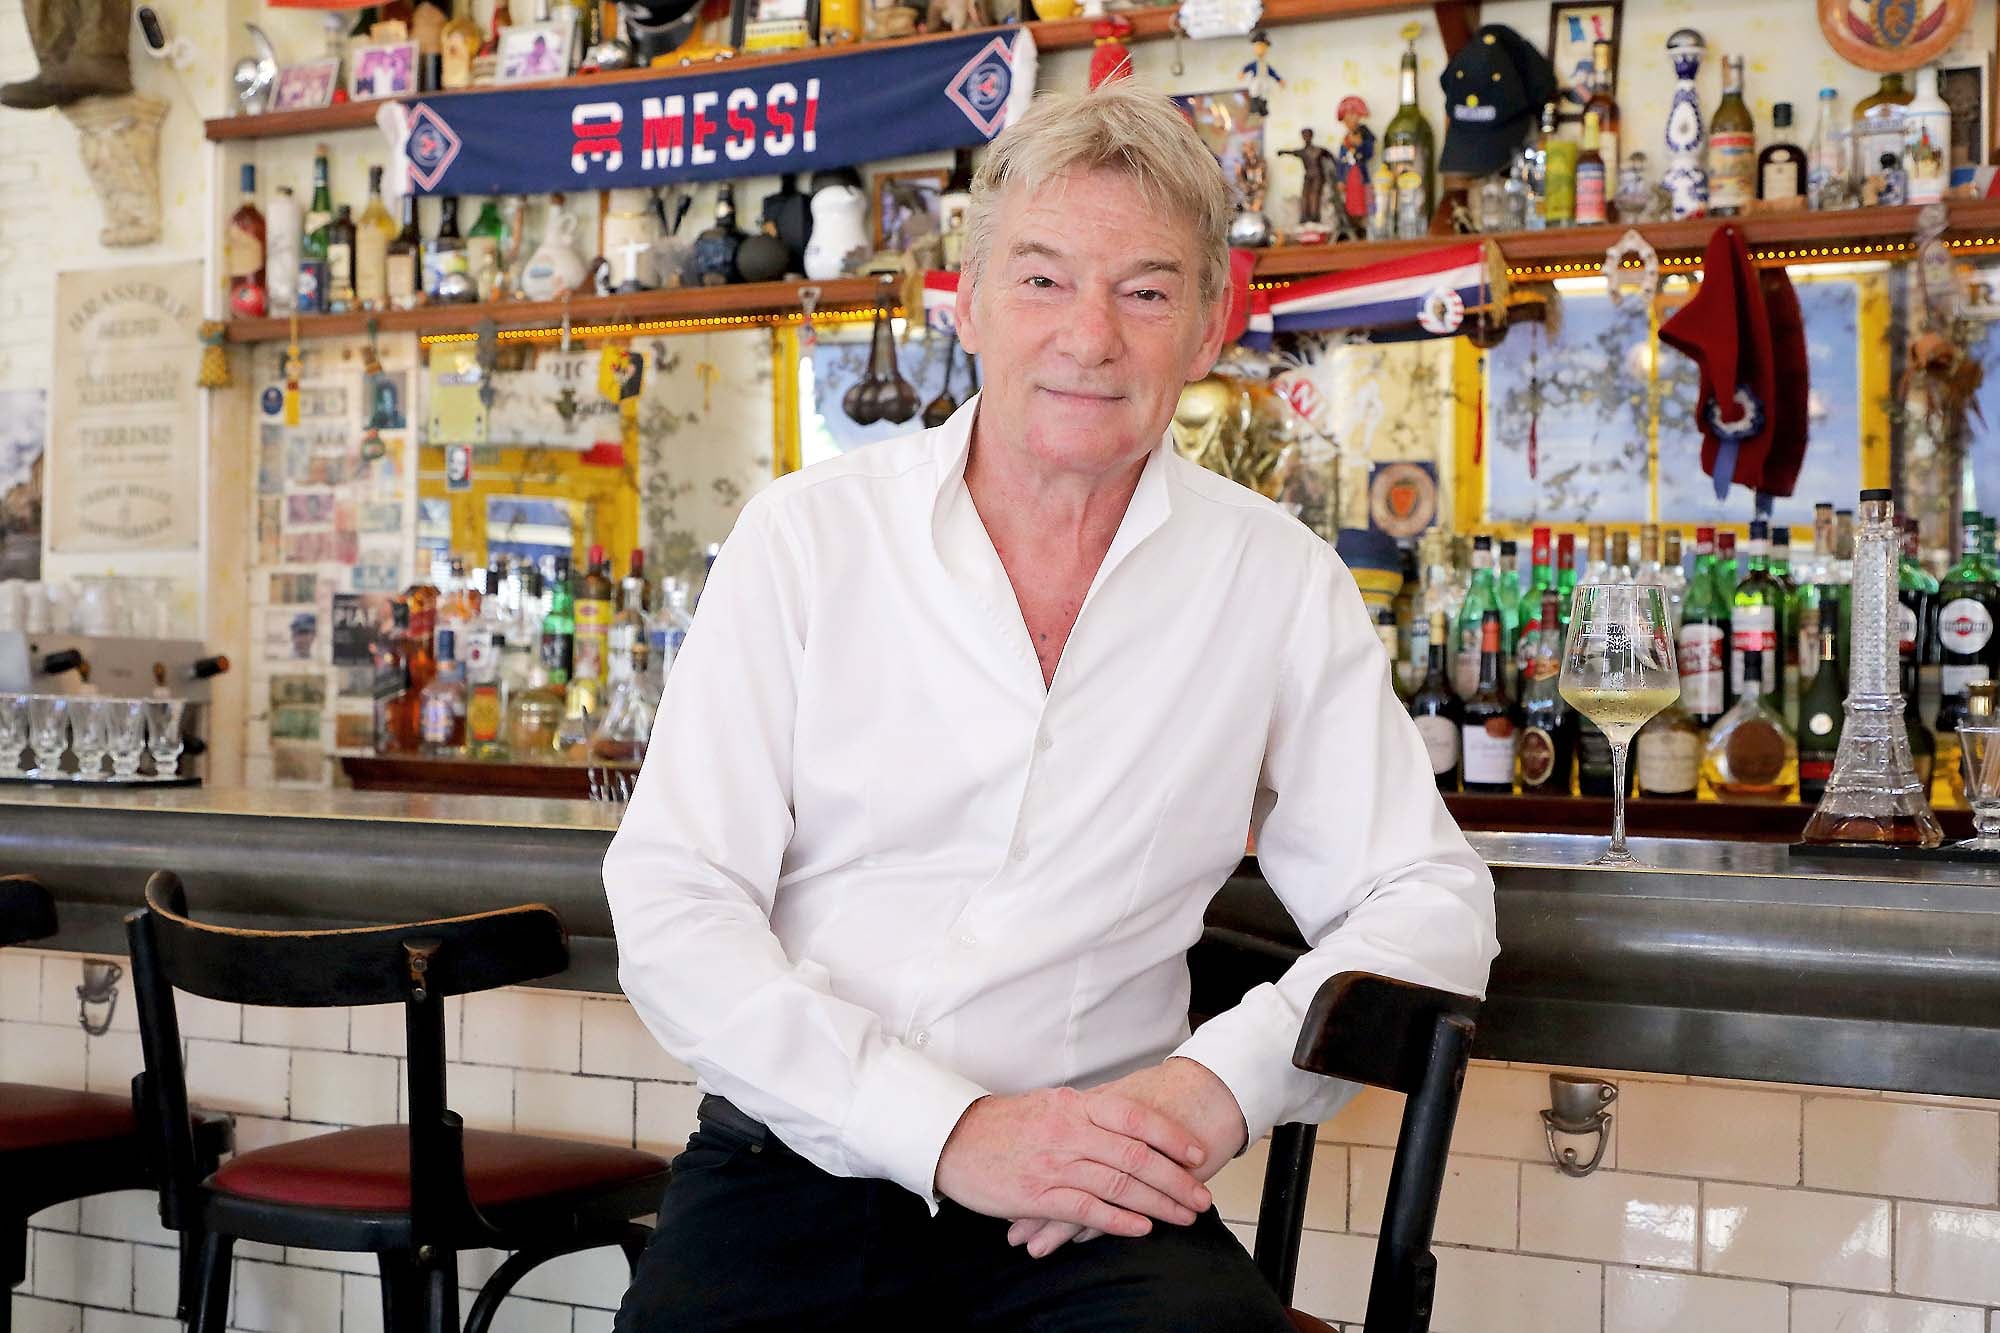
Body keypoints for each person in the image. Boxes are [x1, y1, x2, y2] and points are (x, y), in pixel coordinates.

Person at [603, 81, 1497, 1331]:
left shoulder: (1273, 578)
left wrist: (1210, 1088)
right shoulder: (808, 540)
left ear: (1208, 324)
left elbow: (1430, 904)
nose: (1090, 336)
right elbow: (674, 899)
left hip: (1100, 1190)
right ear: (964, 301)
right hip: (796, 1162)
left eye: (1143, 289)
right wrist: (949, 1129)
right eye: (1040, 281)